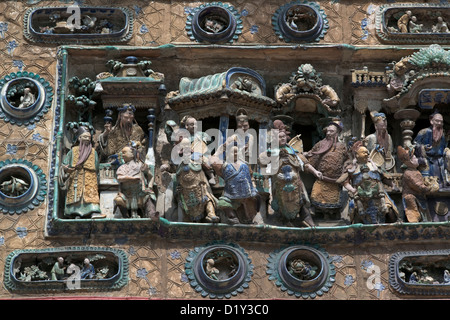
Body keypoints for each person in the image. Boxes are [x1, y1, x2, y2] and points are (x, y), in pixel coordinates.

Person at [259, 124, 321, 227]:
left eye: (283, 136)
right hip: (279, 184)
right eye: (279, 137)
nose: (282, 138)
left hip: (295, 183)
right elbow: (262, 161)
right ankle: (284, 221)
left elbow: (305, 164)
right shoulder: (271, 152)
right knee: (281, 203)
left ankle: (306, 218)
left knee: (301, 202)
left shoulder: (292, 151)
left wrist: (315, 172)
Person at [340, 143, 399, 224]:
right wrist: (352, 189)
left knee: (390, 209)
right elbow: (345, 182)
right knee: (353, 209)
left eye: (367, 152)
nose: (367, 154)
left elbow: (384, 178)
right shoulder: (352, 168)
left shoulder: (374, 166)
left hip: (379, 194)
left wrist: (393, 185)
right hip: (360, 196)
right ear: (357, 155)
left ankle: (395, 222)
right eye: (363, 152)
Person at [304, 120, 348, 218]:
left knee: (335, 203)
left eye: (331, 131)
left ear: (337, 133)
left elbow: (347, 160)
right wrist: (305, 155)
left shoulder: (342, 147)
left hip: (335, 182)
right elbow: (312, 155)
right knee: (315, 197)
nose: (328, 133)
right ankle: (320, 215)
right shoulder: (320, 144)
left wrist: (346, 170)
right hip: (322, 180)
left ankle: (331, 216)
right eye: (327, 131)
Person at [60, 126, 104, 219]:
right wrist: (66, 169)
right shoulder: (73, 151)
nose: (87, 139)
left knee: (91, 195)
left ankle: (93, 211)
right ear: (79, 138)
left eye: (89, 137)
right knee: (76, 194)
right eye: (85, 137)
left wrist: (97, 178)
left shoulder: (93, 152)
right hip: (76, 176)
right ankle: (76, 213)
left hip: (90, 177)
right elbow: (64, 164)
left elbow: (96, 167)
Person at [174, 138, 220, 223]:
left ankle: (211, 214)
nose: (186, 154)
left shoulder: (197, 158)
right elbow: (176, 177)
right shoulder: (179, 165)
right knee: (183, 204)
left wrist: (210, 174)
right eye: (184, 152)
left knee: (207, 199)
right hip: (186, 191)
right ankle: (184, 220)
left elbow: (209, 168)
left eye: (187, 151)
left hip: (200, 187)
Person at [211, 144, 259, 225]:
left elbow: (250, 176)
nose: (235, 154)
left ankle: (249, 218)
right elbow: (213, 162)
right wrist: (218, 152)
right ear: (228, 154)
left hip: (247, 192)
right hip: (231, 193)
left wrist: (253, 186)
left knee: (256, 199)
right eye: (233, 152)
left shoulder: (245, 165)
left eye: (237, 152)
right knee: (223, 203)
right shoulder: (225, 166)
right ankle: (232, 217)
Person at [114, 146, 158, 220]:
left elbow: (151, 176)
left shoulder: (141, 165)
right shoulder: (122, 168)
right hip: (127, 195)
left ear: (132, 154)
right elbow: (120, 178)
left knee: (149, 196)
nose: (122, 155)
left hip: (140, 194)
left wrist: (150, 187)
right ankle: (126, 216)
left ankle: (152, 214)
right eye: (122, 153)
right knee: (118, 200)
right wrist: (132, 178)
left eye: (124, 153)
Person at [397, 145, 437, 222]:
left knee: (425, 214)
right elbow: (417, 185)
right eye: (414, 157)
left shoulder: (416, 171)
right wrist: (429, 188)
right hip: (412, 197)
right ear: (408, 161)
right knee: (414, 212)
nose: (416, 159)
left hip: (420, 196)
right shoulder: (408, 173)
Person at [413, 111, 450, 186]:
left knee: (441, 183)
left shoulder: (442, 134)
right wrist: (423, 148)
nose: (439, 123)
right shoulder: (423, 132)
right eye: (437, 121)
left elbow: (443, 146)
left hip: (440, 161)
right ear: (431, 121)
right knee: (428, 183)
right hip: (428, 160)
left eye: (441, 122)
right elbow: (414, 144)